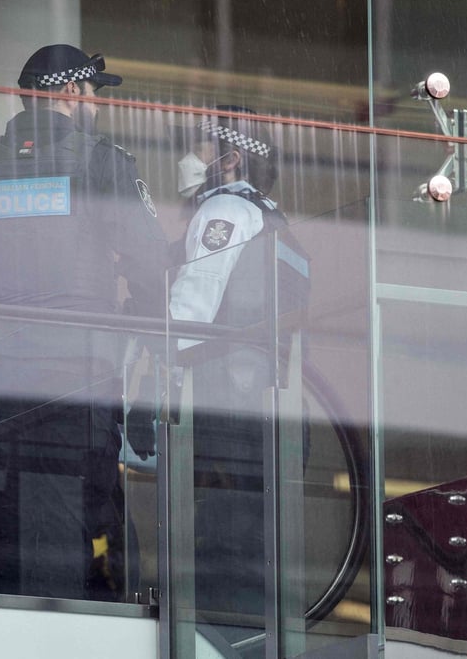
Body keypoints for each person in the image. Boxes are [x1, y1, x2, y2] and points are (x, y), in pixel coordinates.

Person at [0, 44, 169, 601]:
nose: (98, 108)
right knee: (79, 563)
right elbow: (153, 272)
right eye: (93, 95)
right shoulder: (103, 162)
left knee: (1, 558)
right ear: (67, 94)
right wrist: (150, 372)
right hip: (77, 396)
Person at [168, 107, 310, 621]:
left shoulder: (224, 211)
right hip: (266, 417)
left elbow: (190, 313)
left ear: (229, 159)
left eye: (201, 149)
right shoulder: (275, 220)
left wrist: (149, 382)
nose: (189, 159)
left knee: (217, 553)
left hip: (224, 410)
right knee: (254, 555)